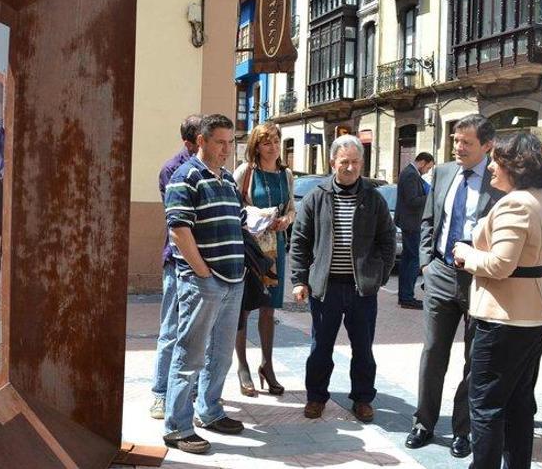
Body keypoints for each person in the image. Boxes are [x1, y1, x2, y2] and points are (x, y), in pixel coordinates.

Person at [451, 132, 542, 468]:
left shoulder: (515, 203)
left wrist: (466, 253)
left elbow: (501, 264)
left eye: (498, 161)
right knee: (518, 403)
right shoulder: (539, 196)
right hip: (533, 314)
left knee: (485, 405)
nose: (492, 168)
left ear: (517, 165)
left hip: (504, 317)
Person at [406, 114, 503, 458]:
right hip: (441, 274)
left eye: (467, 143)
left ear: (487, 146)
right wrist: (425, 264)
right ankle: (424, 422)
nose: (458, 148)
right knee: (433, 352)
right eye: (456, 141)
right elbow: (430, 219)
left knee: (474, 358)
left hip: (481, 280)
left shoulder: (499, 180)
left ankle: (464, 429)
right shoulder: (444, 172)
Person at [290, 134, 396, 422]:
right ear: (332, 162)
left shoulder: (373, 198)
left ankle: (362, 399)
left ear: (362, 163)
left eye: (355, 162)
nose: (350, 167)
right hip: (326, 288)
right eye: (344, 162)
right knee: (320, 347)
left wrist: (379, 276)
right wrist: (299, 279)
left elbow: (387, 240)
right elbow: (299, 240)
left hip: (362, 290)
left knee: (363, 348)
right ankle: (316, 397)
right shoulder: (317, 196)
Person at [163, 114, 245, 454]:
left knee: (221, 355)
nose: (227, 149)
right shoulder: (186, 178)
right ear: (202, 142)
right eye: (220, 142)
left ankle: (210, 411)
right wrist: (203, 274)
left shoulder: (226, 179)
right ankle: (177, 427)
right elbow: (178, 230)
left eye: (230, 142)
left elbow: (238, 220)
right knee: (190, 354)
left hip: (233, 281)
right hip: (204, 283)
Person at [232, 123, 295, 397]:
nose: (273, 147)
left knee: (269, 308)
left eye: (276, 141)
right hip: (250, 248)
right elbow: (232, 206)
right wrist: (255, 216)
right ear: (256, 146)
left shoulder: (286, 174)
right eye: (266, 142)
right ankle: (242, 366)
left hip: (275, 248)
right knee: (244, 307)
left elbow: (291, 207)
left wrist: (286, 220)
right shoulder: (245, 173)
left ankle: (267, 366)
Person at [149, 113, 202, 420]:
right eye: (201, 138)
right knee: (170, 329)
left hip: (204, 261)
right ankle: (160, 393)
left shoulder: (212, 168)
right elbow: (181, 219)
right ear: (189, 142)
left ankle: (190, 392)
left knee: (197, 332)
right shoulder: (173, 170)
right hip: (177, 261)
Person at [395, 151, 435, 309]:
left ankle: (405, 295)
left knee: (408, 260)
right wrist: (431, 195)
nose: (427, 171)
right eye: (428, 167)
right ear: (422, 162)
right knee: (412, 261)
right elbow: (412, 201)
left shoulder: (409, 173)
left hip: (409, 223)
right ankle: (407, 297)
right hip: (411, 224)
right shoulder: (411, 174)